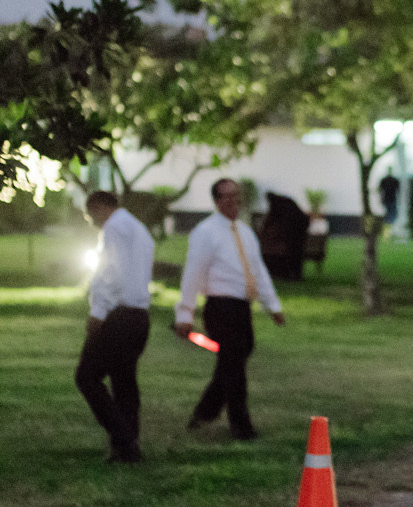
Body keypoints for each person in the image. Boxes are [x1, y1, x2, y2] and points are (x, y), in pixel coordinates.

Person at [176, 177, 286, 440]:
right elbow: (193, 273)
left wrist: (273, 305)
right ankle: (241, 425)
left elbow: (258, 271)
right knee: (234, 363)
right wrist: (185, 312)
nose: (233, 200)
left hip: (240, 305)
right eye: (227, 196)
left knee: (236, 356)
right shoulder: (206, 232)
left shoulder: (245, 232)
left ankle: (205, 411)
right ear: (216, 200)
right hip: (220, 304)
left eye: (236, 195)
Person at [75, 189, 156, 462]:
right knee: (124, 380)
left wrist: (98, 311)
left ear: (98, 207)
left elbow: (112, 273)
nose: (93, 223)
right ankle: (126, 448)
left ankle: (123, 437)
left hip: (118, 314)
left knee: (87, 376)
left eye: (90, 217)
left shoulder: (114, 228)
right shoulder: (140, 230)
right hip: (139, 315)